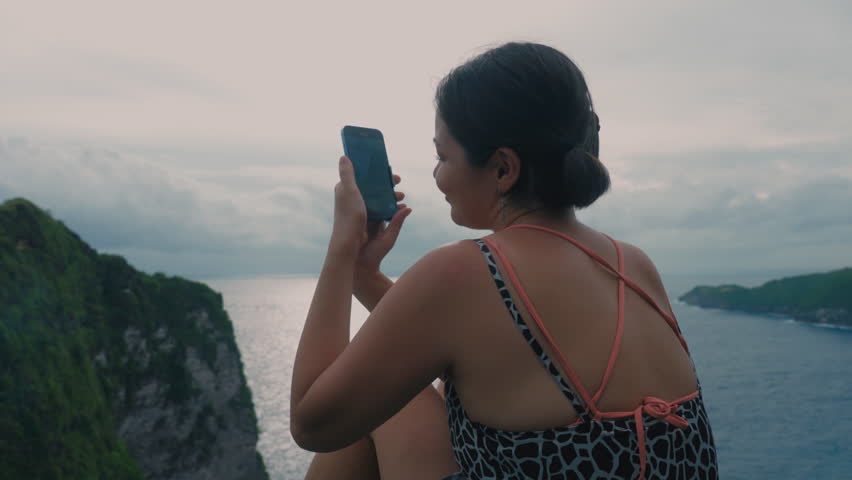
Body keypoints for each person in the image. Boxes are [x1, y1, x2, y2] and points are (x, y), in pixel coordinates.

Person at [290, 42, 718, 479]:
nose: (437, 174)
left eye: (442, 156)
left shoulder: (465, 270)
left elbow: (312, 422)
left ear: (502, 169)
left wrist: (342, 250)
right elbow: (456, 333)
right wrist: (366, 275)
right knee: (397, 389)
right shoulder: (633, 264)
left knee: (372, 412)